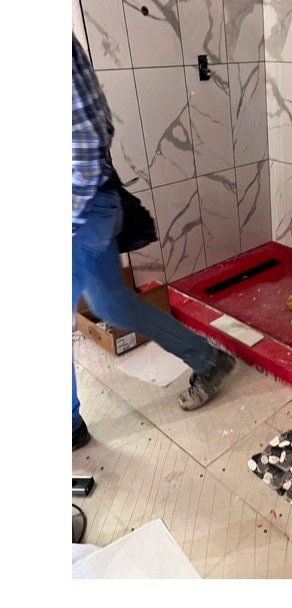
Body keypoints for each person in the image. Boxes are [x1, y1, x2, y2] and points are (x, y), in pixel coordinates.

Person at [72, 33, 235, 451]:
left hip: (79, 212)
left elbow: (90, 134)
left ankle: (68, 424)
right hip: (85, 211)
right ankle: (207, 358)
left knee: (105, 305)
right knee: (110, 304)